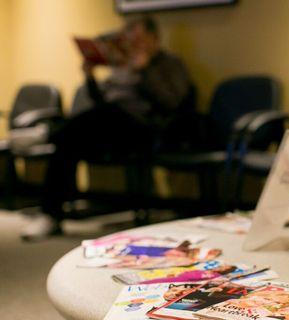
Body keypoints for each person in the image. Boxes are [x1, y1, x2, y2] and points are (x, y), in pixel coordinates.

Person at [21, 16, 195, 240]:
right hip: (109, 127)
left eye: (140, 40)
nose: (135, 46)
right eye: (130, 41)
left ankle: (45, 133)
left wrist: (145, 71)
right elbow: (98, 102)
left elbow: (173, 102)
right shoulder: (122, 66)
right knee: (68, 144)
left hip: (145, 130)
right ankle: (50, 216)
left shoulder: (170, 64)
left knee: (105, 115)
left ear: (154, 39)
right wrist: (90, 76)